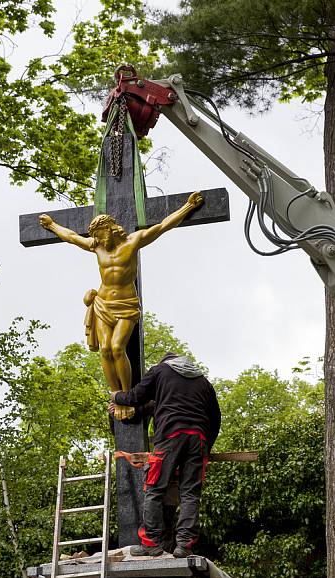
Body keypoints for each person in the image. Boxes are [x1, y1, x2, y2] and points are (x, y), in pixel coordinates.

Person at [39, 192, 204, 420]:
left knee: (117, 348)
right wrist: (52, 225)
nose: (98, 240)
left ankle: (126, 395)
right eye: (95, 236)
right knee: (105, 350)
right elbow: (70, 237)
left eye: (100, 234)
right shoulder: (96, 246)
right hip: (104, 303)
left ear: (111, 228)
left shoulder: (133, 242)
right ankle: (115, 395)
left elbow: (164, 226)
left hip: (126, 303)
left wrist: (187, 207)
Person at [111, 353, 221, 558]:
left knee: (154, 489)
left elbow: (136, 396)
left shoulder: (159, 371)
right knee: (190, 494)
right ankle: (184, 546)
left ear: (166, 363)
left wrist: (116, 396)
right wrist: (206, 447)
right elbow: (216, 418)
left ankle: (151, 543)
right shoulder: (203, 382)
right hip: (198, 440)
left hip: (170, 435)